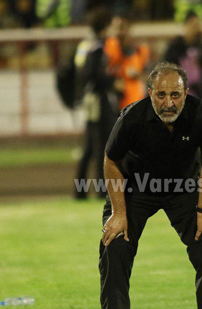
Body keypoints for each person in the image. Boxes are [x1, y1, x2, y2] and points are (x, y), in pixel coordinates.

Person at [98, 62, 202, 309]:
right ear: (150, 93)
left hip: (183, 188)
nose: (168, 102)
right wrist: (119, 213)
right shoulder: (132, 118)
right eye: (161, 95)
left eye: (175, 94)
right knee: (115, 246)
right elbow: (110, 162)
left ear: (186, 92)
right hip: (135, 188)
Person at [73, 7, 118, 200]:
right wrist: (110, 80)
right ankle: (101, 191)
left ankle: (80, 191)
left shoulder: (85, 45)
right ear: (105, 26)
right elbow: (94, 75)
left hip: (89, 99)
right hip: (98, 99)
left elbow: (81, 73)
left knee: (90, 146)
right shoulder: (98, 47)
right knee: (101, 146)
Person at [163, 10, 202, 100]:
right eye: (193, 25)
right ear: (185, 25)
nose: (195, 29)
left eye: (197, 26)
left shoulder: (201, 47)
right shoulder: (175, 47)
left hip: (198, 96)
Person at [104, 15, 151, 110]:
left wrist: (137, 74)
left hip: (134, 107)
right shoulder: (106, 50)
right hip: (110, 107)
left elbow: (150, 77)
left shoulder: (139, 51)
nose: (117, 32)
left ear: (128, 29)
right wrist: (113, 82)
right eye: (115, 28)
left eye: (121, 28)